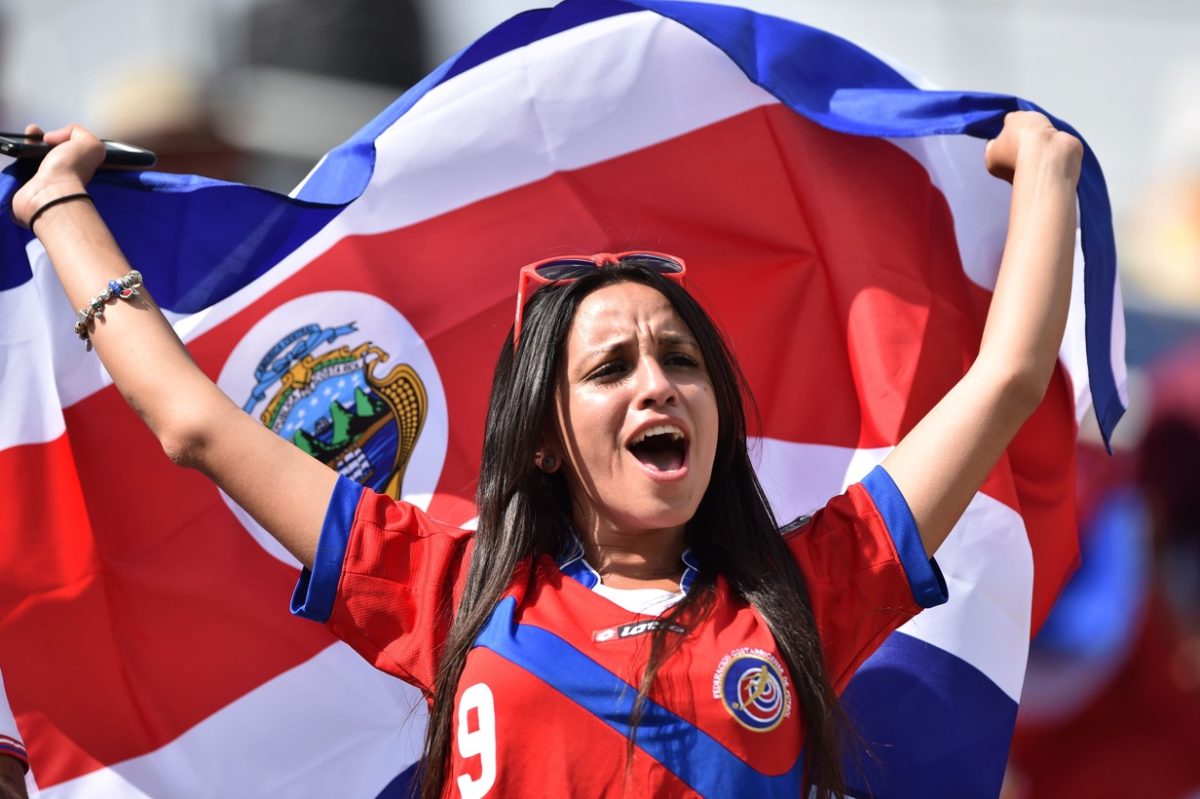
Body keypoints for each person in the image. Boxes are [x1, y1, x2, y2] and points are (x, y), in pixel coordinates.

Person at [11, 111, 1082, 798]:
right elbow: (193, 423)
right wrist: (58, 203)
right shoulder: (444, 586)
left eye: (682, 361)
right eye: (611, 368)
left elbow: (1006, 379)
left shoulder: (812, 586)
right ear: (541, 444)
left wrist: (1045, 165)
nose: (657, 383)